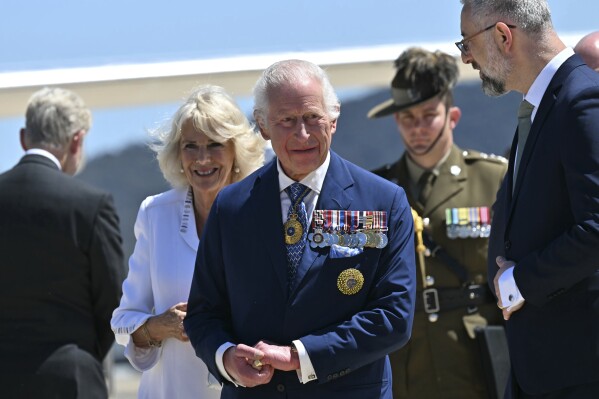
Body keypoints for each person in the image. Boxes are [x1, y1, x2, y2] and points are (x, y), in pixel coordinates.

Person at [184, 59, 417, 399]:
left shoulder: (383, 201)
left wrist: (299, 356)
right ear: (263, 127)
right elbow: (203, 313)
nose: (303, 134)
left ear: (333, 120)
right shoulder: (231, 207)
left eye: (312, 118)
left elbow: (393, 317)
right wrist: (226, 358)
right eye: (287, 121)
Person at [458, 0, 599, 397]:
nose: (467, 58)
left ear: (503, 36)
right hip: (544, 370)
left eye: (467, 43)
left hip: (579, 372)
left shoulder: (581, 101)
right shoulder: (544, 107)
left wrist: (519, 281)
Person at [368, 47, 508, 398]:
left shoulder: (494, 179)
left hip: (477, 360)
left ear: (453, 116)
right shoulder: (376, 191)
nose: (417, 128)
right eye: (407, 118)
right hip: (405, 364)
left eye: (428, 115)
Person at [110, 84, 264, 398]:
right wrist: (157, 326)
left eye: (215, 144)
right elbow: (122, 321)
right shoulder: (154, 214)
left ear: (236, 150)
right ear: (178, 154)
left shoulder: (265, 214)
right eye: (191, 146)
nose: (202, 158)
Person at [0, 87, 126, 398]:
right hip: (72, 378)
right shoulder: (91, 205)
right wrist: (81, 357)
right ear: (76, 141)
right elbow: (112, 298)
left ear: (23, 138)